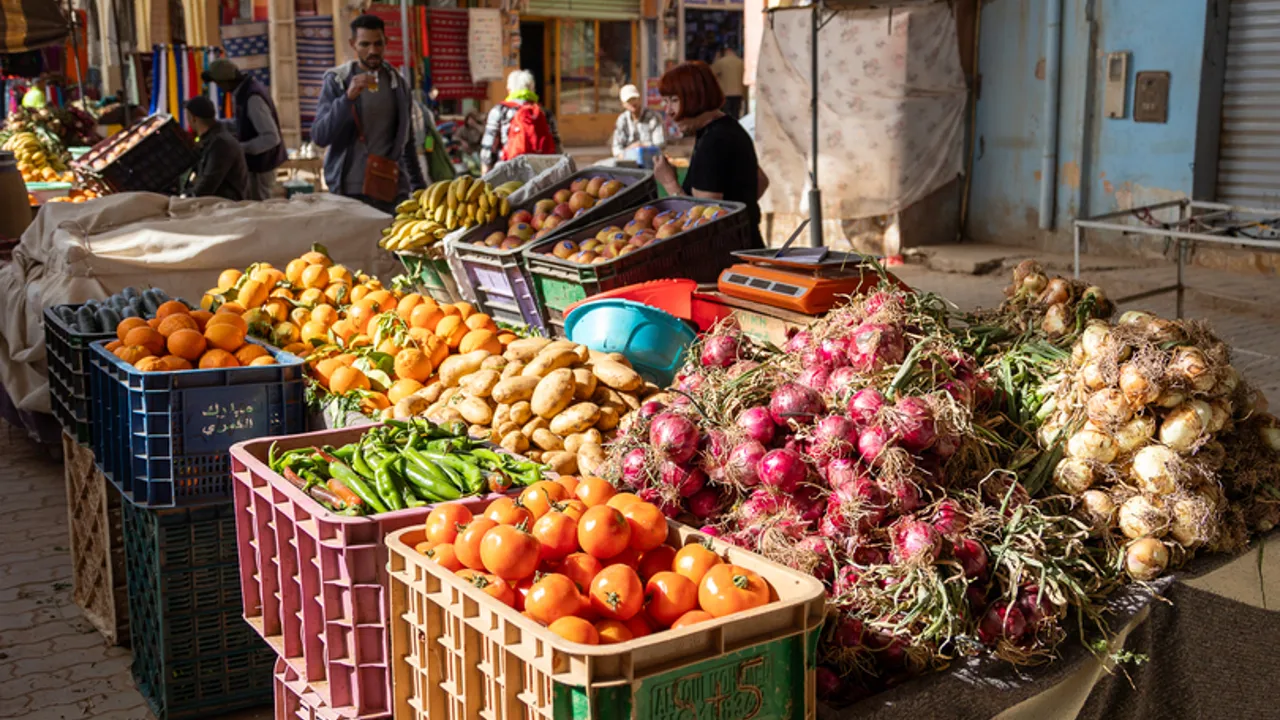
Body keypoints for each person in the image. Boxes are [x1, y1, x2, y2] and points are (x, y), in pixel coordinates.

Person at [312, 14, 426, 213]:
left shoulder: (397, 84)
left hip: (389, 189)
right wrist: (347, 99)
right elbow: (320, 136)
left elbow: (406, 141)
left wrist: (419, 189)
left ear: (386, 43)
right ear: (353, 44)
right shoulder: (338, 81)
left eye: (378, 44)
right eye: (365, 44)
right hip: (348, 191)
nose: (372, 51)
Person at [653, 61, 769, 249]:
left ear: (695, 98)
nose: (669, 112)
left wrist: (669, 183)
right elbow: (761, 181)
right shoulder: (730, 127)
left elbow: (704, 220)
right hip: (748, 242)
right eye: (665, 102)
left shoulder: (713, 142)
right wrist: (738, 212)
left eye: (674, 100)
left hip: (727, 253)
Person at [201, 58, 286, 200]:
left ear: (225, 81)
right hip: (257, 165)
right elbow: (246, 123)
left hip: (262, 166)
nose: (219, 87)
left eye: (218, 83)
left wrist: (240, 148)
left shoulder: (252, 98)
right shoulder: (244, 92)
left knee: (259, 209)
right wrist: (219, 125)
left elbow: (271, 138)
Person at [480, 70, 561, 174]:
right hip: (541, 170)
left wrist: (485, 171)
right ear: (532, 89)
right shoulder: (544, 112)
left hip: (508, 169)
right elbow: (557, 143)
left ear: (509, 89)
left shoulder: (500, 111)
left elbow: (489, 145)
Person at [183, 96, 249, 201]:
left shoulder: (220, 143)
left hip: (225, 206)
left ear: (193, 119)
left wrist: (185, 199)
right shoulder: (211, 139)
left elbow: (207, 185)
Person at [610, 84, 665, 162]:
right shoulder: (622, 120)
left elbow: (660, 144)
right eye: (629, 100)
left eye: (634, 99)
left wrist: (641, 145)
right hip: (628, 161)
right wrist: (628, 151)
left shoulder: (653, 117)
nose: (633, 103)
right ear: (623, 104)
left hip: (650, 160)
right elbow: (616, 148)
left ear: (639, 99)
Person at [711, 45, 745, 119]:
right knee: (736, 114)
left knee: (725, 115)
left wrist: (716, 58)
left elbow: (711, 73)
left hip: (725, 93)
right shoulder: (740, 62)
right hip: (738, 93)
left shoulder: (721, 62)